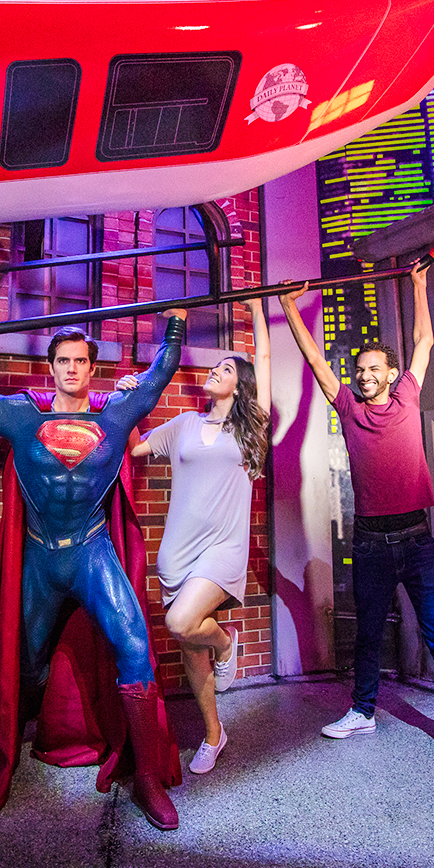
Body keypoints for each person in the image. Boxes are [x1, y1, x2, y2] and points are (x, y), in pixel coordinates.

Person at [0, 311, 187, 830]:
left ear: (91, 367)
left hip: (92, 552)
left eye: (81, 360)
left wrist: (175, 324)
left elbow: (159, 376)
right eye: (64, 360)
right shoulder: (22, 415)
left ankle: (147, 779)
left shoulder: (116, 414)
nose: (72, 368)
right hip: (40, 558)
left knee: (134, 648)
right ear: (52, 366)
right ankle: (15, 748)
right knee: (28, 662)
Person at [278, 260, 434, 775]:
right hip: (370, 542)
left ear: (392, 375)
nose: (365, 375)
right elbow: (315, 360)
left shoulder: (407, 396)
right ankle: (363, 712)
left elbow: (424, 340)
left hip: (416, 539)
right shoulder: (349, 407)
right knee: (369, 634)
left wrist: (420, 285)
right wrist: (289, 305)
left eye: (374, 368)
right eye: (361, 369)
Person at [120, 299, 270, 775]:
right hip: (177, 551)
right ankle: (213, 734)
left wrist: (258, 310)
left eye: (226, 369)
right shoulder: (184, 424)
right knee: (189, 647)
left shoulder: (250, 430)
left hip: (222, 547)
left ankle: (224, 643)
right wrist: (128, 401)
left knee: (182, 623)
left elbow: (264, 360)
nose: (215, 371)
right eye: (216, 365)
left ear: (239, 387)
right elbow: (137, 449)